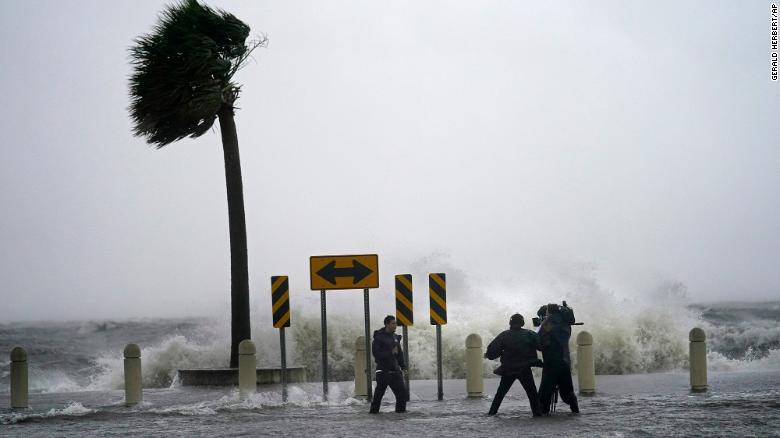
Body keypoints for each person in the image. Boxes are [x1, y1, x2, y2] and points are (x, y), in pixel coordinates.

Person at [484, 313, 543, 417]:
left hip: (508, 369)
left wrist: (488, 355)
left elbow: (492, 351)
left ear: (510, 323)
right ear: (522, 323)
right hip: (524, 369)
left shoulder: (504, 335)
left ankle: (492, 413)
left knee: (500, 394)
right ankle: (537, 414)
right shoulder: (530, 334)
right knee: (532, 394)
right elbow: (541, 346)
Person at [537, 303, 579, 414]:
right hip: (564, 361)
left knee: (544, 393)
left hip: (551, 362)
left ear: (548, 312)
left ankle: (544, 412)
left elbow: (540, 341)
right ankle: (575, 410)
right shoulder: (565, 323)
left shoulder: (548, 323)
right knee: (567, 391)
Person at [369, 315, 408, 413]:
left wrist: (403, 367)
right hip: (383, 372)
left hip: (395, 372)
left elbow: (399, 354)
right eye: (393, 323)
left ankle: (400, 416)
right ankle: (373, 416)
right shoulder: (378, 337)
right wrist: (390, 352)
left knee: (402, 395)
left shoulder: (395, 337)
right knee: (377, 398)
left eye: (395, 323)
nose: (395, 325)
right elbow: (376, 354)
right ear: (387, 324)